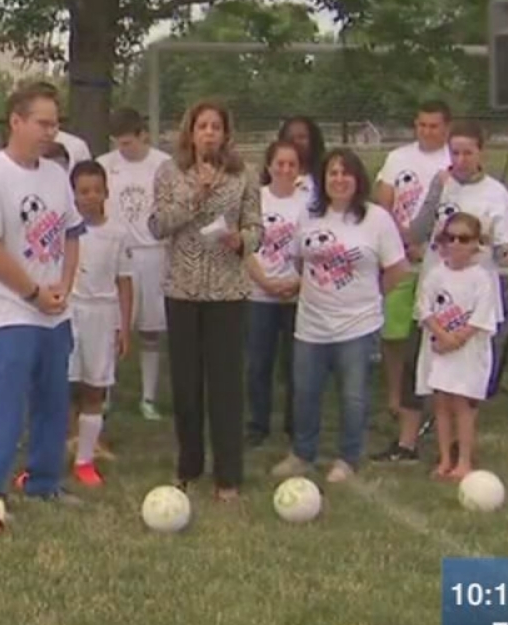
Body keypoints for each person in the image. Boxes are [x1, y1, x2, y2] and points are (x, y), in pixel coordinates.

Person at [0, 84, 84, 504]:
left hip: (55, 310)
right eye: (43, 123)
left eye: (56, 123)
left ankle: (44, 483)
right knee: (6, 405)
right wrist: (32, 292)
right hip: (13, 311)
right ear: (16, 121)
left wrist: (64, 286)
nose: (51, 132)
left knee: (54, 401)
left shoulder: (55, 174)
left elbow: (71, 234)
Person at [385, 120, 508, 463]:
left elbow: (507, 247)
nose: (460, 159)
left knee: (465, 379)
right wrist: (435, 193)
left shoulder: (495, 193)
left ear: (480, 153)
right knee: (422, 367)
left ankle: (461, 447)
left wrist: (493, 245)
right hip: (436, 291)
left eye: (468, 152)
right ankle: (407, 442)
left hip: (473, 299)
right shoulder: (440, 185)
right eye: (455, 152)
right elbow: (415, 233)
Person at [148, 100, 261, 502]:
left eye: (216, 126)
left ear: (226, 133)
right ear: (190, 133)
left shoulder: (243, 174)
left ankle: (228, 475)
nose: (209, 133)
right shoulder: (169, 172)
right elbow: (157, 224)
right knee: (186, 385)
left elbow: (256, 226)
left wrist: (242, 240)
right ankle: (189, 465)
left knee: (226, 386)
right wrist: (196, 198)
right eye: (202, 126)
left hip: (228, 292)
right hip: (183, 290)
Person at [274, 148, 409, 483]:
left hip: (358, 325)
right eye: (332, 173)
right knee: (305, 393)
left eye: (345, 173)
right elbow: (299, 260)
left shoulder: (376, 219)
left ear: (357, 179)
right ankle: (302, 454)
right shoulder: (309, 216)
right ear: (323, 179)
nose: (338, 179)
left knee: (353, 396)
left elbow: (397, 269)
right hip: (311, 325)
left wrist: (372, 296)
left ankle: (348, 457)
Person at [374, 101, 452, 420]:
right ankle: (396, 398)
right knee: (395, 333)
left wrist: (429, 246)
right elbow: (382, 204)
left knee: (437, 330)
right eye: (421, 125)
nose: (427, 131)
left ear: (446, 127)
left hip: (441, 260)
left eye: (434, 126)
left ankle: (437, 400)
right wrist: (398, 244)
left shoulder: (452, 159)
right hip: (400, 258)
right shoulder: (398, 159)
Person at [61, 161, 133, 489]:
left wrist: (124, 327)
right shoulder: (64, 230)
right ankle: (55, 450)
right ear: (72, 194)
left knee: (94, 388)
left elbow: (125, 283)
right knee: (61, 386)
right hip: (69, 312)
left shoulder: (117, 234)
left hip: (102, 317)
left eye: (96, 191)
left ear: (106, 192)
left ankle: (86, 459)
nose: (89, 197)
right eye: (82, 191)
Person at [415, 212, 502, 480]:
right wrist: (441, 335)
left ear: (476, 243)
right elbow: (424, 309)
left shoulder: (481, 278)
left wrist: (456, 339)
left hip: (469, 351)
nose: (455, 244)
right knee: (441, 403)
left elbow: (481, 317)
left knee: (463, 405)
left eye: (463, 239)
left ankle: (464, 460)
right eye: (450, 238)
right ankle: (444, 458)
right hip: (439, 348)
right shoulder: (435, 275)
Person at [99, 107, 171, 421]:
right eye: (118, 143)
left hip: (153, 252)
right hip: (116, 252)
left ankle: (148, 397)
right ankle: (103, 393)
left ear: (142, 135)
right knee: (113, 326)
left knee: (151, 329)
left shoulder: (163, 165)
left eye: (128, 142)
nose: (122, 149)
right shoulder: (105, 165)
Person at [245, 140, 309, 448]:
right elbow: (243, 249)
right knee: (258, 363)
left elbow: (314, 252)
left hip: (296, 296)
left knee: (295, 364)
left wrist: (295, 282)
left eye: (291, 164)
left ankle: (295, 424)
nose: (285, 170)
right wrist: (266, 282)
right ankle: (257, 423)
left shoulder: (308, 204)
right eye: (279, 163)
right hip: (259, 294)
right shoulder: (255, 200)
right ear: (269, 166)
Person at [276, 116, 326, 190]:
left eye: (302, 137)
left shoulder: (327, 176)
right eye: (290, 138)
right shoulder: (270, 178)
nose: (296, 142)